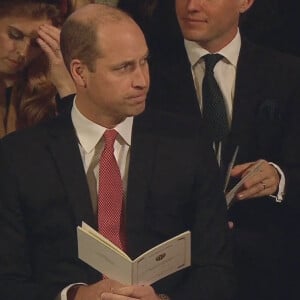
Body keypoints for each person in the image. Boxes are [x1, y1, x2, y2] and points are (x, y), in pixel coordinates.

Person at [0, 4, 235, 300]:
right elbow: (7, 280)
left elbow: (216, 269)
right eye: (123, 67)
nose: (142, 81)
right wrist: (73, 297)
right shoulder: (19, 157)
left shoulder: (187, 144)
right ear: (80, 73)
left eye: (144, 62)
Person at [136, 0, 300, 299]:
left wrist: (280, 177)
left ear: (244, 2)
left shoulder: (289, 74)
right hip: (175, 274)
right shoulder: (144, 75)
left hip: (270, 268)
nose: (191, 6)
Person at [0, 0, 76, 138]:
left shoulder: (41, 89)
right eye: (15, 35)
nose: (24, 52)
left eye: (36, 43)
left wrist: (66, 87)